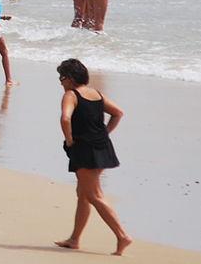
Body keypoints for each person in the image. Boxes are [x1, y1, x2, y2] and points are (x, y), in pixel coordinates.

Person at [55, 58, 131, 254]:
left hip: (85, 149)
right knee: (83, 194)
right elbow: (118, 113)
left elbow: (65, 118)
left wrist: (69, 139)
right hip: (102, 147)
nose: (61, 82)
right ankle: (74, 239)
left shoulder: (71, 95)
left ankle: (122, 236)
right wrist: (104, 133)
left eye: (62, 78)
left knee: (94, 195)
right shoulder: (97, 94)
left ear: (70, 79)